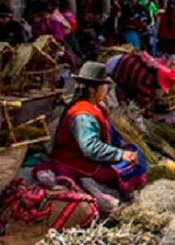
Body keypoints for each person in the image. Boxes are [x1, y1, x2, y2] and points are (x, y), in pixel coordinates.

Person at [41, 62, 145, 211]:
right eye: (103, 88)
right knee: (133, 165)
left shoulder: (90, 107)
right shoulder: (82, 115)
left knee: (133, 151)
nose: (105, 91)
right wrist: (120, 154)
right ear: (91, 90)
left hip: (82, 159)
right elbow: (90, 148)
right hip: (78, 163)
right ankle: (126, 195)